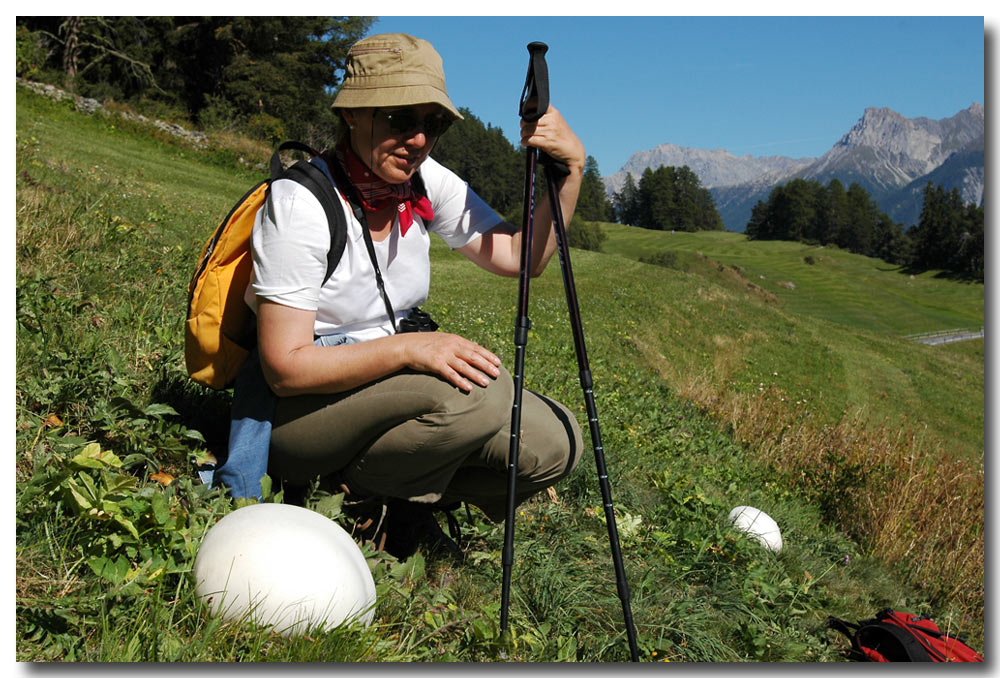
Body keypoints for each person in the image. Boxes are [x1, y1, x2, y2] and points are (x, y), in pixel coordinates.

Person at [220, 33, 586, 559]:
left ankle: (399, 498)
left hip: (385, 389)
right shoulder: (301, 202)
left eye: (431, 124)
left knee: (557, 443)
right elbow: (285, 368)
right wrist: (412, 349)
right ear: (353, 114)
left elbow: (522, 256)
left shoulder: (424, 181)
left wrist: (570, 172)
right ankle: (359, 502)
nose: (416, 139)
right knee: (479, 396)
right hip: (294, 414)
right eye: (398, 119)